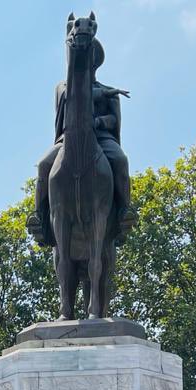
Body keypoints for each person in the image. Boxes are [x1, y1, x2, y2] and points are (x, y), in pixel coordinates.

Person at [28, 34, 134, 248]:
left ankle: (125, 212)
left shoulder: (109, 91)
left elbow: (114, 119)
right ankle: (38, 216)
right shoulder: (63, 86)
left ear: (95, 61)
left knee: (121, 160)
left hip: (101, 138)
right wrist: (105, 92)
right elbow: (71, 97)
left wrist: (100, 121)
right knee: (43, 165)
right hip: (69, 139)